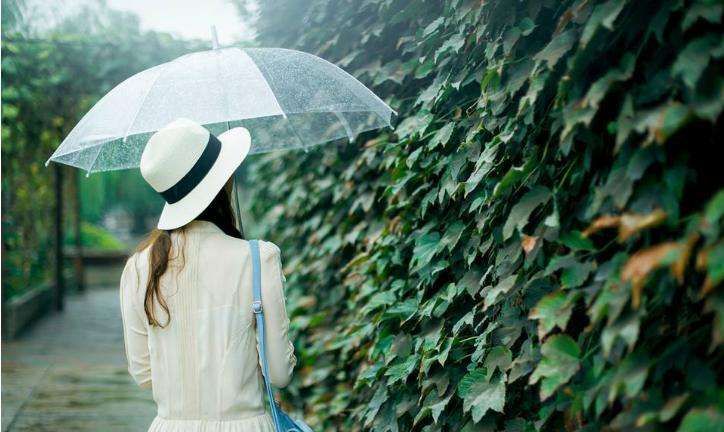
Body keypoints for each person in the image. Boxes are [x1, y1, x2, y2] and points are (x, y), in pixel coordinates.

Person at [119, 118, 296, 432]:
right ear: (224, 182)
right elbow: (279, 373)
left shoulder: (138, 266)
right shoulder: (258, 258)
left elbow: (143, 373)